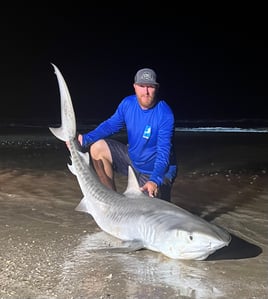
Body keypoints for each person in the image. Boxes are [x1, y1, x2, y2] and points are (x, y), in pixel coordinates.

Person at [77, 68, 177, 201]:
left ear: (156, 88)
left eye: (150, 87)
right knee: (97, 148)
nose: (146, 91)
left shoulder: (165, 114)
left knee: (149, 215)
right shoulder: (128, 104)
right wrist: (84, 139)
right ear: (135, 87)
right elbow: (110, 125)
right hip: (133, 160)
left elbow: (163, 152)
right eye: (142, 86)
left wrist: (155, 180)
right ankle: (112, 200)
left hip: (156, 171)